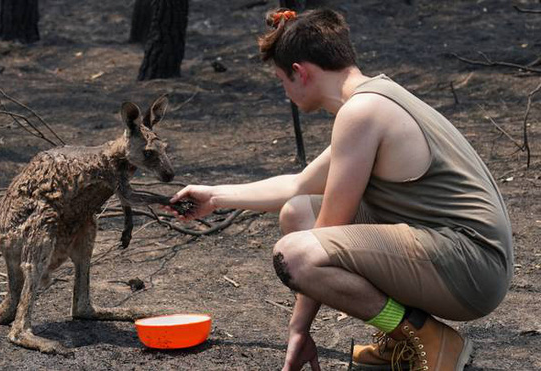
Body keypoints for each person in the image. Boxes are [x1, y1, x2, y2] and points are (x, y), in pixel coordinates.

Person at [169, 7, 513, 371]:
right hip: (462, 256)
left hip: (471, 268)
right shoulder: (376, 98)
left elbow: (324, 235)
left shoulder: (361, 113)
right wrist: (215, 196)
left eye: (281, 80)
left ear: (300, 73)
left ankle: (427, 337)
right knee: (299, 211)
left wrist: (298, 328)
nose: (284, 91)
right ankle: (402, 338)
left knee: (296, 254)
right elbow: (299, 186)